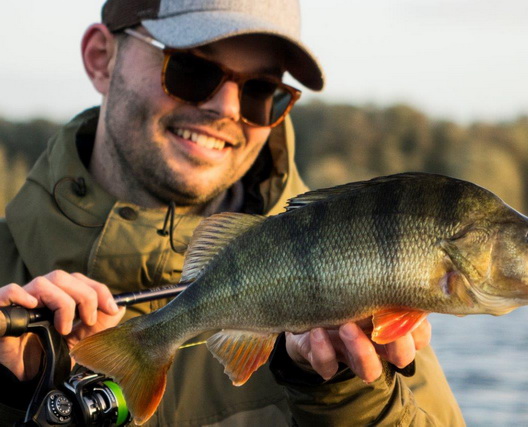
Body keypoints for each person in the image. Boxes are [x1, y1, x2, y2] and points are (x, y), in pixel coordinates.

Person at [0, 0, 465, 425]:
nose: (225, 107)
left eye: (261, 90)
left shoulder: (367, 275)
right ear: (102, 58)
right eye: (190, 69)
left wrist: (345, 394)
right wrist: (15, 392)